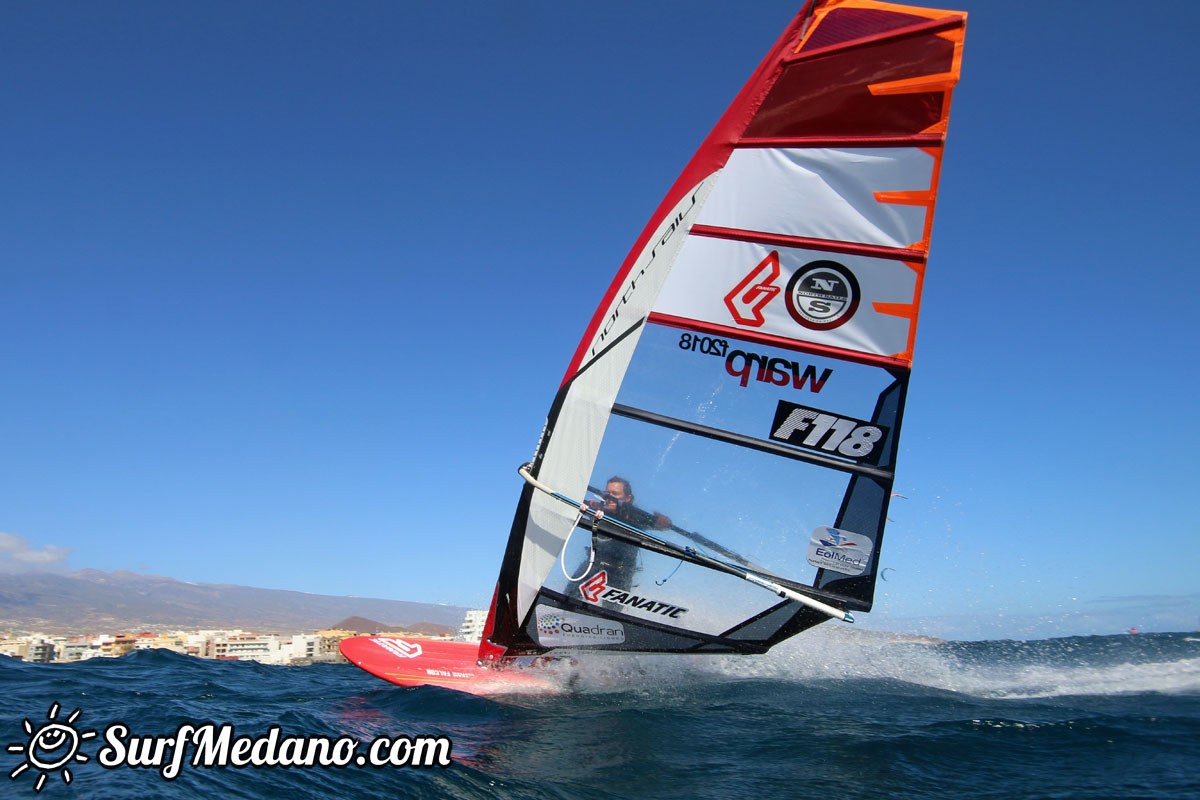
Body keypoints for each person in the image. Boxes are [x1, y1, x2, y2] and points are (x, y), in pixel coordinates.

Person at [578, 476, 671, 590]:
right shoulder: (598, 509)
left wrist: (664, 522)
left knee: (612, 608)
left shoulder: (637, 516)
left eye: (614, 493)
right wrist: (581, 503)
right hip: (593, 564)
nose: (609, 497)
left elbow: (661, 525)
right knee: (568, 596)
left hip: (621, 572)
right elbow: (578, 502)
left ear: (628, 498)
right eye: (607, 493)